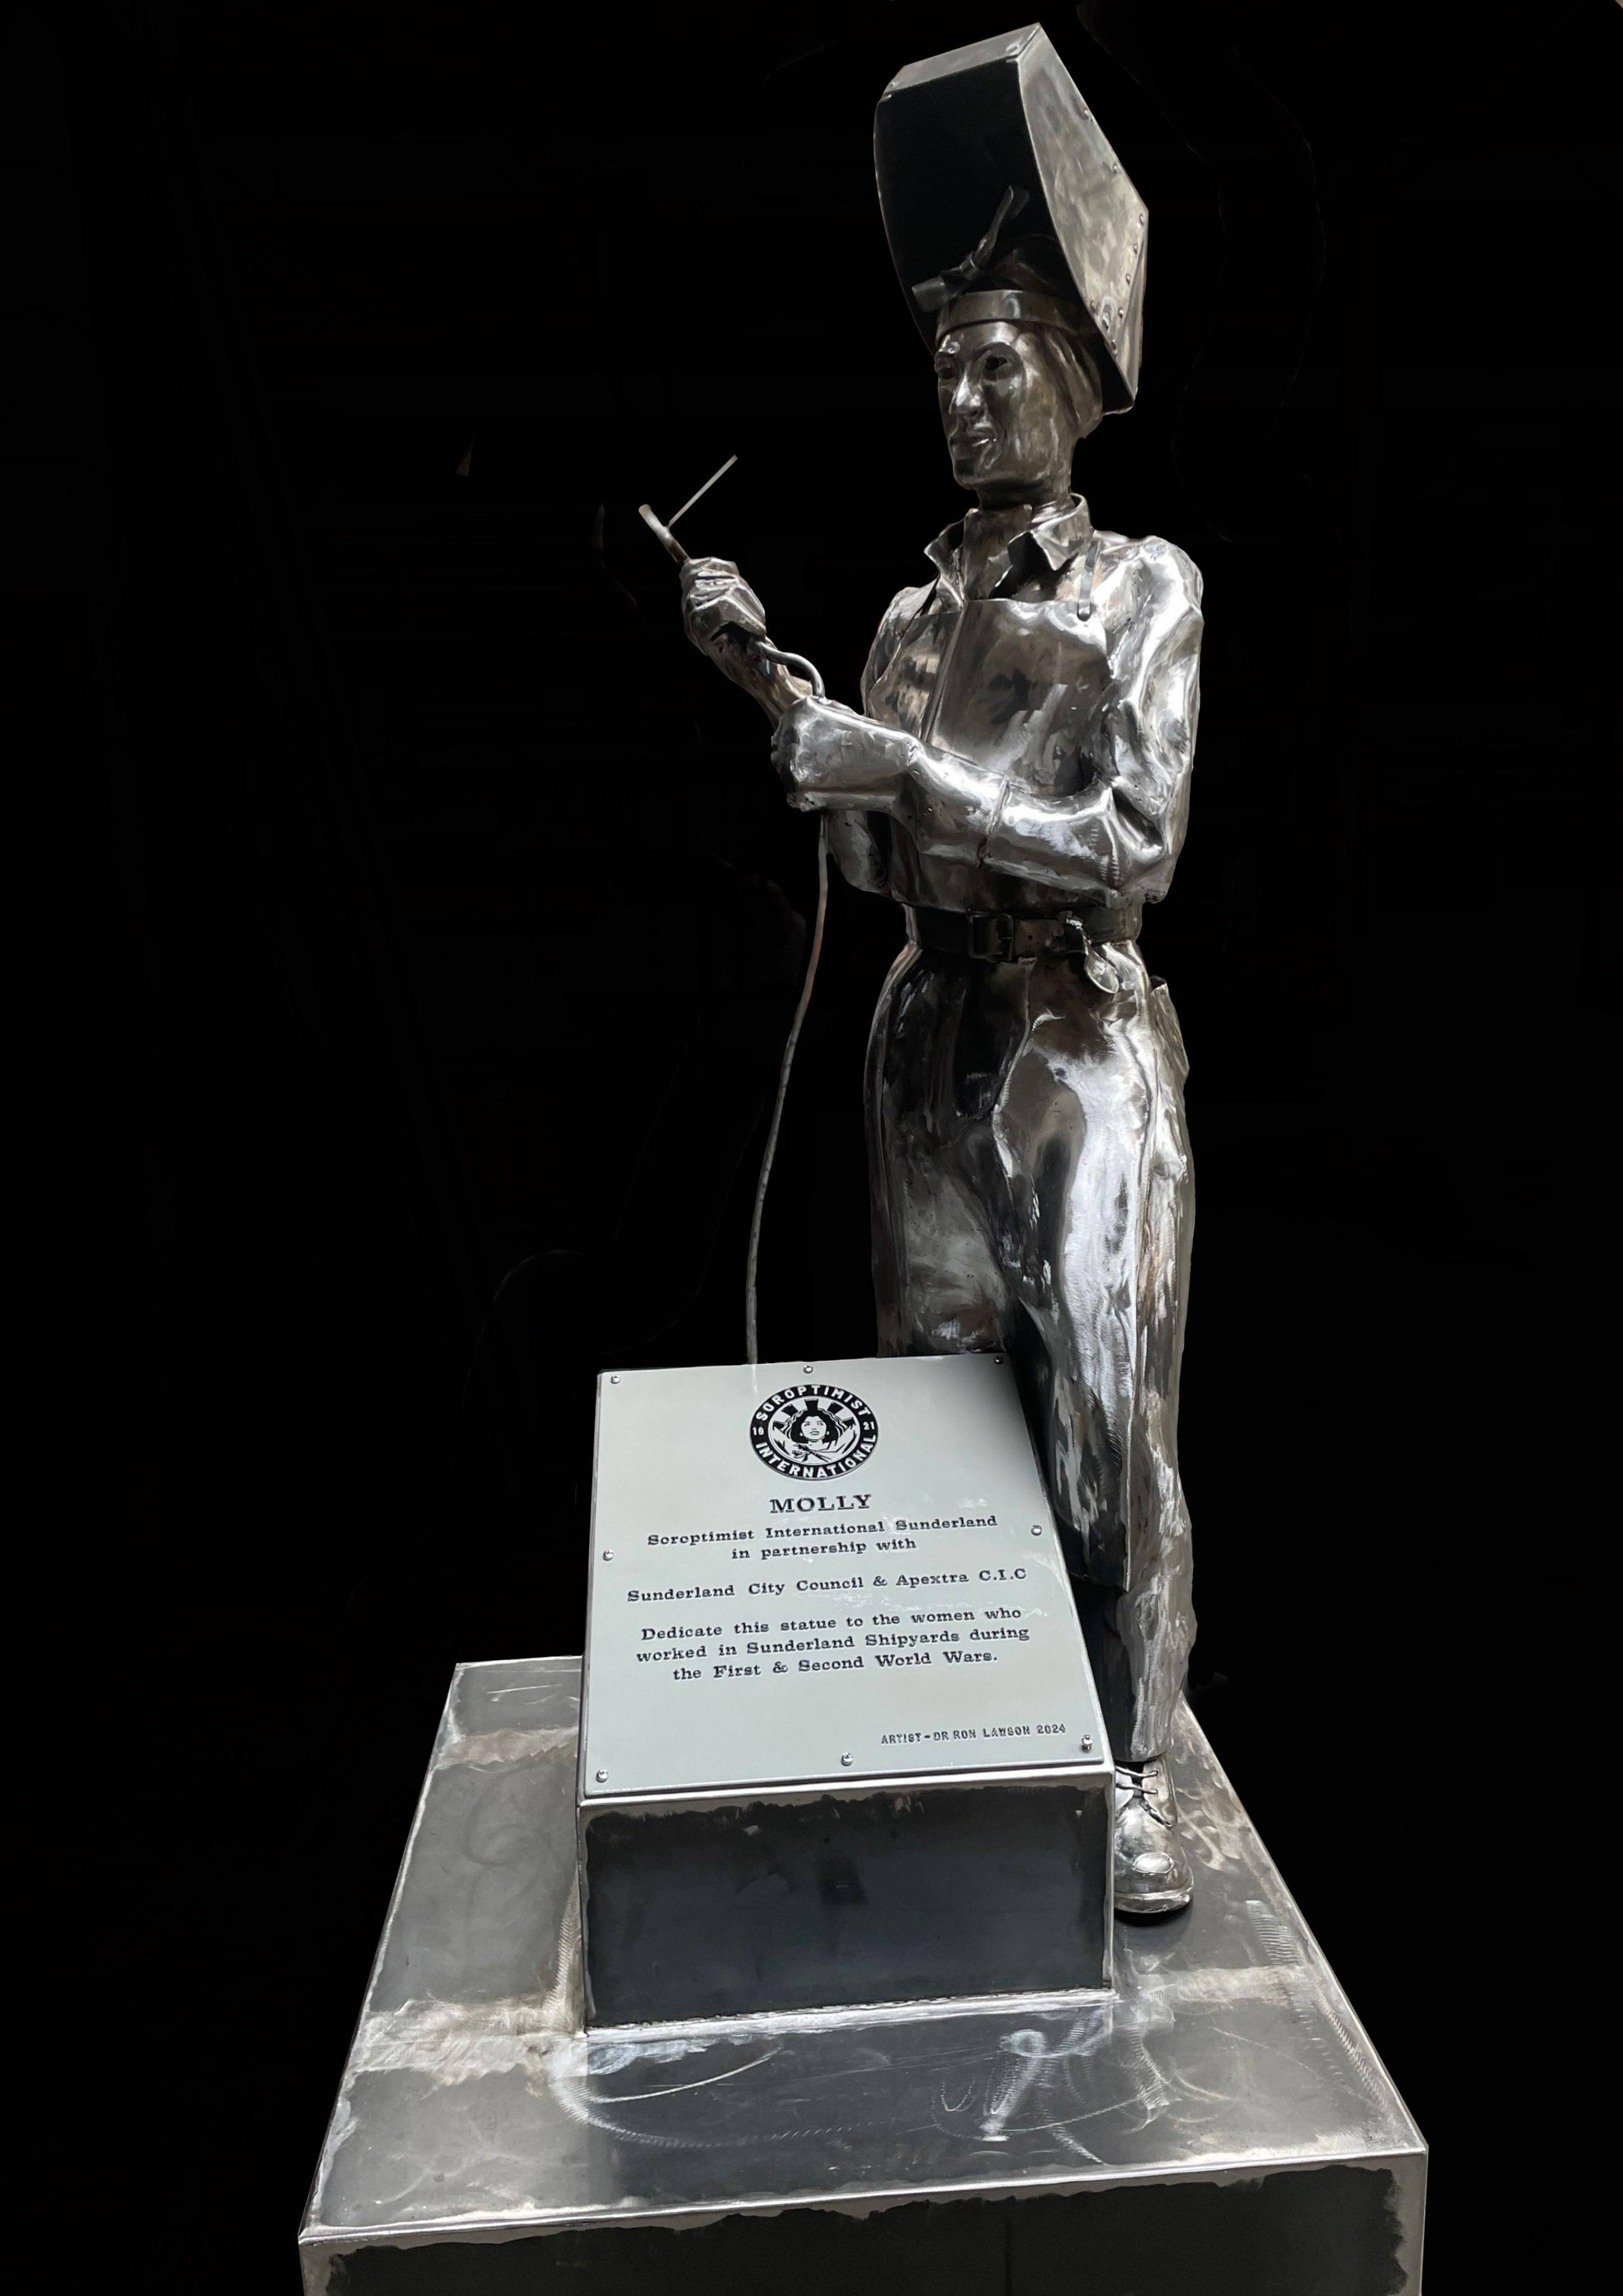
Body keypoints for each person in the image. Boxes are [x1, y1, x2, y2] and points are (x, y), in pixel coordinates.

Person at [678, 38, 1204, 1917]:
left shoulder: (1143, 590)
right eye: (946, 367)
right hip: (927, 1028)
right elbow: (875, 842)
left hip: (1076, 1032)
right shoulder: (912, 616)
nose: (968, 399)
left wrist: (906, 769)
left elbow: (1132, 852)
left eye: (1002, 362)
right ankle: (970, 1723)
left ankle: (1136, 1767)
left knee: (1101, 1418)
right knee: (935, 1408)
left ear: (1072, 377)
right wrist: (774, 694)